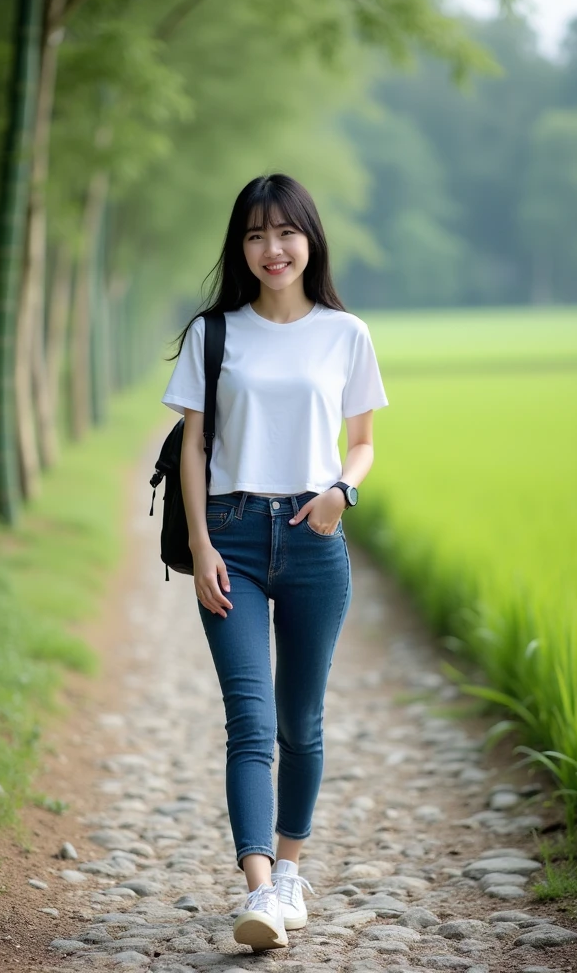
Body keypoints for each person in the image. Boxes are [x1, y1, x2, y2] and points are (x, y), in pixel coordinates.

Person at [161, 173, 388, 951]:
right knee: (250, 720)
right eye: (255, 235)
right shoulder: (213, 333)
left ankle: (291, 871)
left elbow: (362, 443)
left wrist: (340, 493)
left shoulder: (344, 333)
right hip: (231, 533)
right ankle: (259, 891)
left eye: (284, 232)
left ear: (309, 238)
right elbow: (193, 445)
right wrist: (199, 541)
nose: (272, 249)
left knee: (301, 722)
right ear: (241, 246)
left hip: (315, 534)